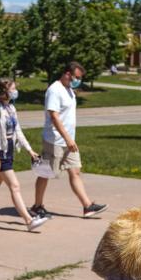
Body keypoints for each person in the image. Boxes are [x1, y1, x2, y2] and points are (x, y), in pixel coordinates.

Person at [31, 61, 107, 219]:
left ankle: (87, 206)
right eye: (76, 77)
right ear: (67, 74)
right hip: (55, 140)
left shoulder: (69, 90)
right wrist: (67, 138)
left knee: (75, 171)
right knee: (46, 173)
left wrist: (70, 139)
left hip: (69, 141)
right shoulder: (54, 90)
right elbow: (54, 116)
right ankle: (37, 206)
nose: (78, 81)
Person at [0, 78, 48, 232]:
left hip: (9, 150)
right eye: (13, 88)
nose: (16, 91)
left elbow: (18, 131)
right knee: (14, 186)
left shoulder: (11, 108)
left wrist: (29, 150)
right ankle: (29, 220)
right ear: (4, 91)